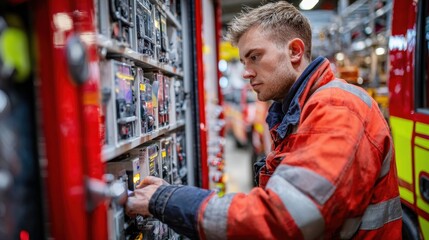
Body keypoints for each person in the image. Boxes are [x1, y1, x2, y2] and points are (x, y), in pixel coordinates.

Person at [126, 2, 402, 239]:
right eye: (245, 61)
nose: (246, 73)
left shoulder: (337, 107)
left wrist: (166, 200)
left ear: (295, 51)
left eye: (255, 57)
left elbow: (285, 218)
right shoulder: (299, 108)